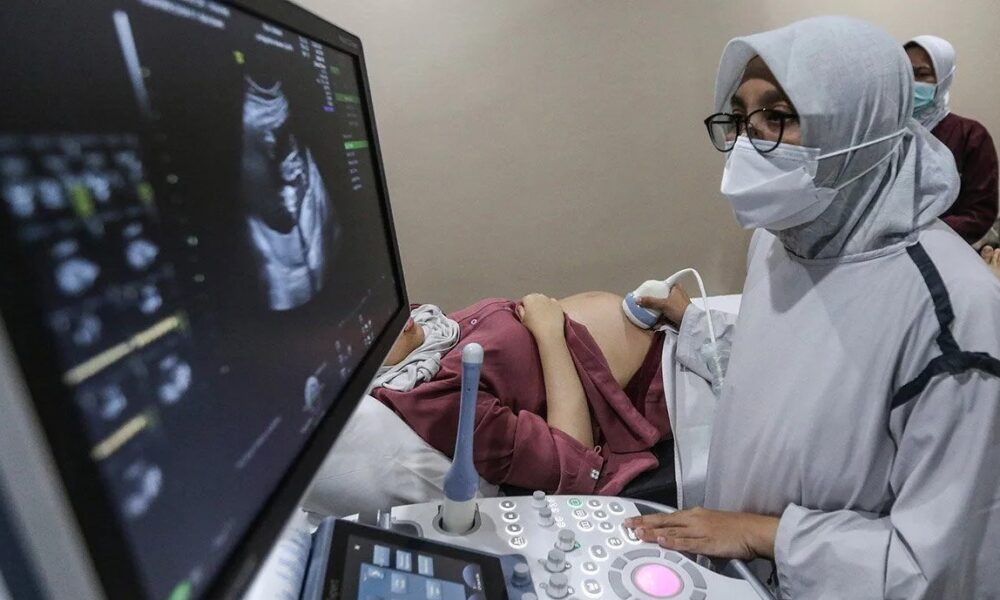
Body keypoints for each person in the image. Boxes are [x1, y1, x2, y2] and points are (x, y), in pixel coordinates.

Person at [625, 17, 1000, 598]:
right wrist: (694, 323)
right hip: (744, 568)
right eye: (741, 118)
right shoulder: (779, 240)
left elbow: (939, 564)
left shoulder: (952, 317)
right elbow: (797, 372)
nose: (749, 143)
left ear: (863, 126)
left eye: (779, 117)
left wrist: (759, 534)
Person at [371, 291, 672, 495]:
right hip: (663, 384)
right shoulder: (439, 402)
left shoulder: (419, 330)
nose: (386, 312)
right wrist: (550, 333)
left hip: (665, 331)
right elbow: (571, 464)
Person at [905, 35, 999, 244]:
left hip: (944, 248)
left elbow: (979, 213)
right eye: (906, 74)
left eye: (922, 74)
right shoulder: (889, 131)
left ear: (944, 78)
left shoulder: (970, 135)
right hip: (884, 251)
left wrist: (921, 236)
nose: (912, 83)